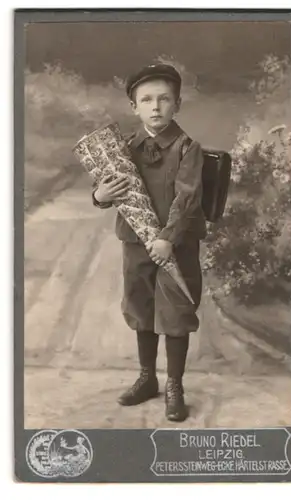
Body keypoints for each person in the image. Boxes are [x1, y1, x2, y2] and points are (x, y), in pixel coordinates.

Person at [92, 63, 206, 422]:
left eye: (164, 99)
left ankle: (175, 384)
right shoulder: (124, 147)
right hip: (135, 243)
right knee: (141, 308)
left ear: (178, 105)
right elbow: (106, 185)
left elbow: (187, 198)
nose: (156, 107)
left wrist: (167, 238)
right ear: (134, 107)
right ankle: (147, 378)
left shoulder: (188, 148)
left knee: (174, 313)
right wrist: (101, 194)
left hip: (175, 246)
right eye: (147, 100)